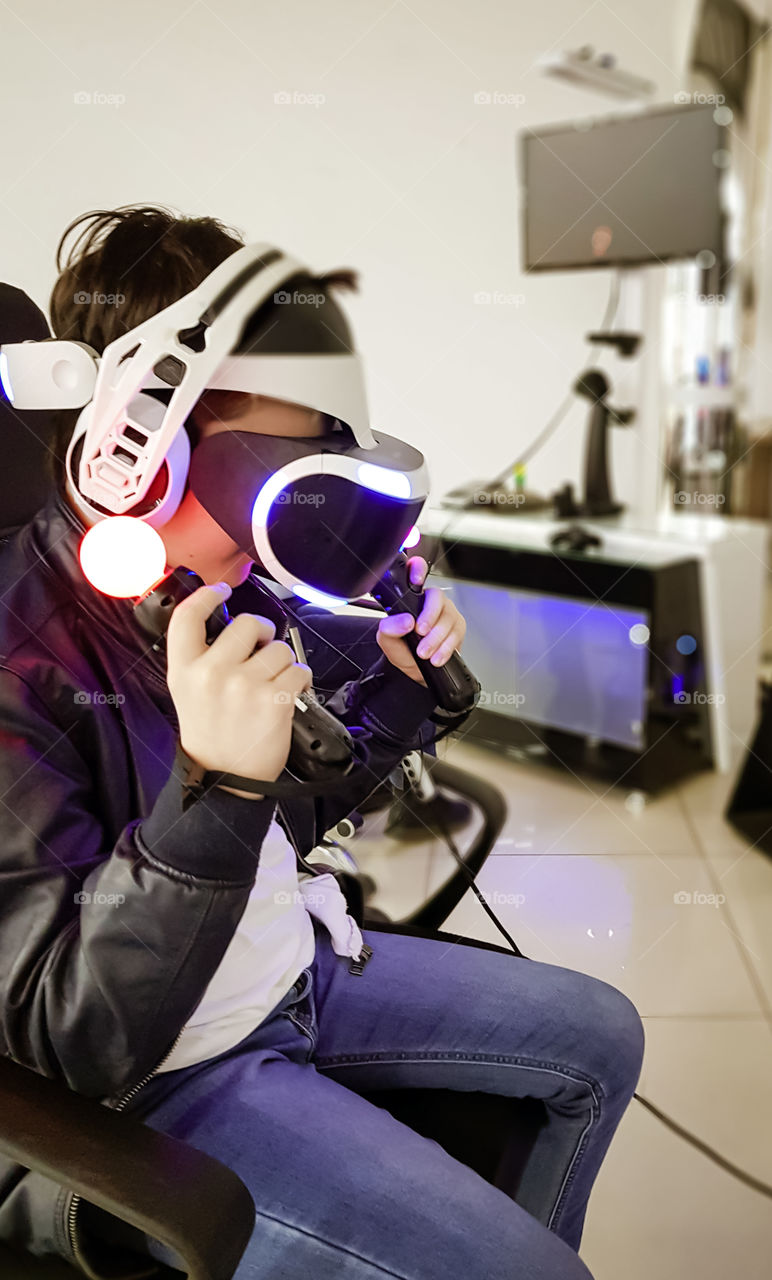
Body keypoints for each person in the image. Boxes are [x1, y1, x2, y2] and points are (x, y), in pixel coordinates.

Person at [0, 206, 644, 1280]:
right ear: (138, 446)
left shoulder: (206, 588)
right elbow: (71, 1038)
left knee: (600, 1036)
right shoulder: (20, 657)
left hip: (277, 968)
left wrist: (396, 700)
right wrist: (211, 788)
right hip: (156, 1074)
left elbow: (286, 818)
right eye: (284, 450)